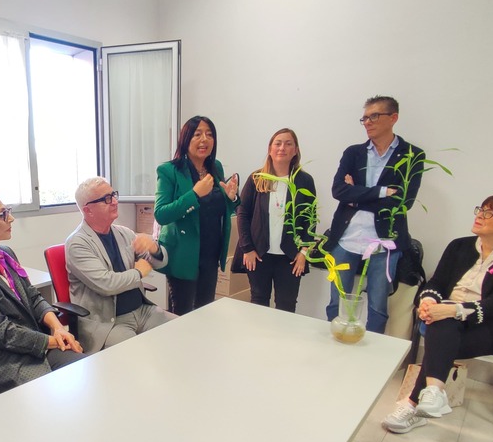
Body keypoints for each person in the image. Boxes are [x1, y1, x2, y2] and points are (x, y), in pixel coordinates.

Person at [383, 195, 493, 434]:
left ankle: (413, 403)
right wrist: (428, 301)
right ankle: (433, 393)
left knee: (442, 337)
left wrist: (453, 310)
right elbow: (437, 282)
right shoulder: (459, 246)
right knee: (443, 325)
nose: (480, 216)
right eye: (481, 209)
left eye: (490, 213)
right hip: (450, 322)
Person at [0, 187, 84, 400]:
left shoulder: (4, 254)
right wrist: (55, 341)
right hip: (0, 362)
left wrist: (58, 328)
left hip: (30, 347)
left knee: (84, 371)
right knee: (60, 394)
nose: (11, 218)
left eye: (8, 211)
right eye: (2, 214)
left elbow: (32, 296)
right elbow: (3, 332)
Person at [325, 95, 425, 333]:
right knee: (337, 301)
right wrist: (381, 192)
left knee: (378, 305)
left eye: (374, 116)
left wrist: (355, 197)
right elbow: (338, 190)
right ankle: (335, 342)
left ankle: (373, 349)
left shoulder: (412, 155)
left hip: (385, 241)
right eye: (365, 118)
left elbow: (403, 201)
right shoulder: (353, 153)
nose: (368, 122)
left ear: (393, 118)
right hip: (347, 237)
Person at [65, 177, 177, 353]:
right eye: (106, 199)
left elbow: (160, 263)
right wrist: (138, 273)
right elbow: (107, 284)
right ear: (88, 210)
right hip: (108, 322)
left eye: (113, 195)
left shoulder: (123, 233)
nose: (115, 202)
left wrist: (154, 249)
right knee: (138, 354)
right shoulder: (77, 244)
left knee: (181, 330)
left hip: (142, 310)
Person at [154, 115, 240, 315]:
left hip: (210, 253)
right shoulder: (169, 170)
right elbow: (161, 214)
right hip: (183, 254)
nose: (204, 140)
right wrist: (194, 194)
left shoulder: (215, 167)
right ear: (186, 139)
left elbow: (221, 208)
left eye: (209, 135)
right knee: (182, 314)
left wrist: (232, 198)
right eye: (197, 134)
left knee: (205, 312)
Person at [231, 128, 316, 312]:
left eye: (288, 144)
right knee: (259, 302)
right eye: (278, 143)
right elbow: (242, 214)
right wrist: (247, 248)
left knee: (287, 305)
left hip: (291, 257)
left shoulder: (304, 181)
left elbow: (310, 219)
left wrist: (304, 252)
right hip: (259, 254)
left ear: (295, 150)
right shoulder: (257, 179)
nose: (282, 148)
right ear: (270, 149)